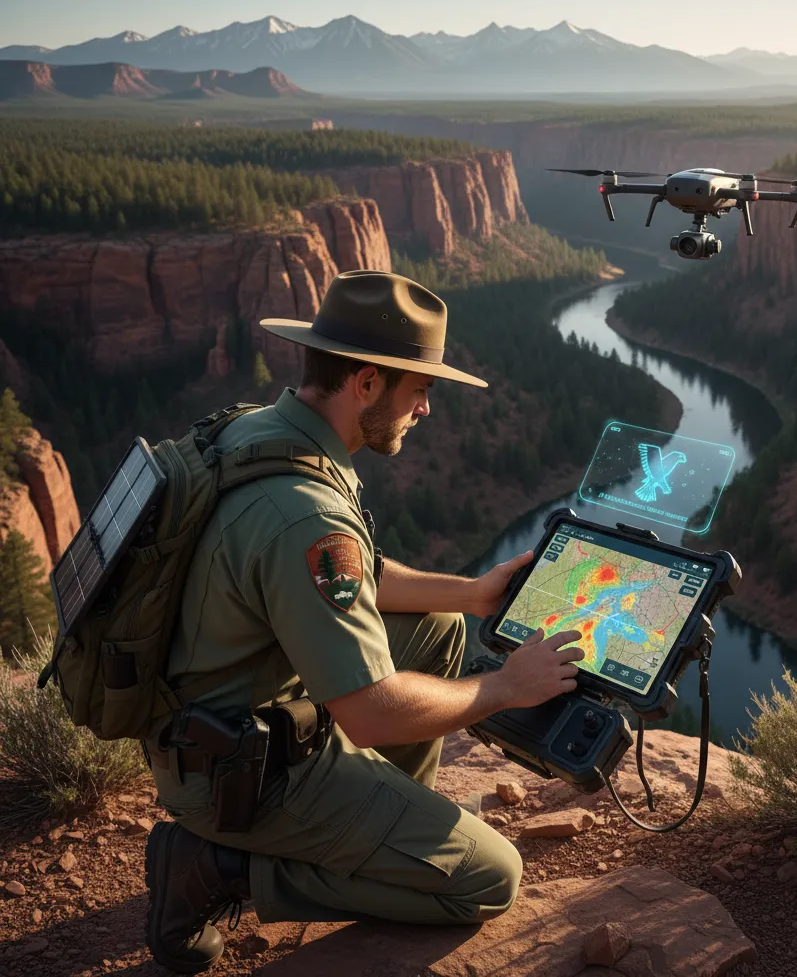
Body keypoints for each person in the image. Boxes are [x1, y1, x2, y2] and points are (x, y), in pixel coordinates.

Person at [143, 270, 586, 973]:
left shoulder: (258, 429)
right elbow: (372, 715)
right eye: (423, 389)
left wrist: (471, 594)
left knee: (439, 626)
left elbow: (354, 577)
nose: (427, 410)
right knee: (491, 878)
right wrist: (505, 686)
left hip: (214, 719)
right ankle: (217, 866)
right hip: (234, 771)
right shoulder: (306, 513)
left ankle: (376, 828)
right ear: (369, 384)